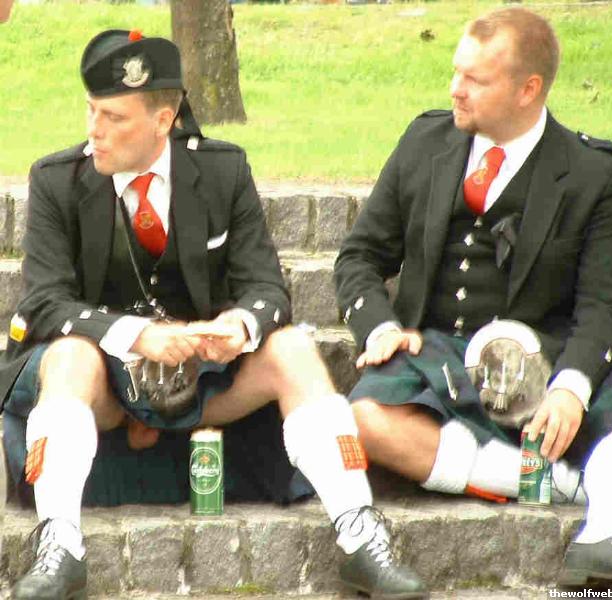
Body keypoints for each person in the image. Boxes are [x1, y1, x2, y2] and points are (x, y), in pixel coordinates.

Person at [0, 30, 427, 600]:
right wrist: (139, 335)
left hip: (202, 383)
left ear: (164, 120)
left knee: (291, 347)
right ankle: (59, 546)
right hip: (102, 390)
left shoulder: (222, 171)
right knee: (70, 355)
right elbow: (45, 303)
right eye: (91, 110)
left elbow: (267, 289)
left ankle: (360, 535)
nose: (94, 129)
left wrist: (239, 326)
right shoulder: (58, 179)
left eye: (113, 117)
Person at [335, 6, 612, 588]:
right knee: (365, 419)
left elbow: (604, 305)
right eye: (456, 72)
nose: (455, 88)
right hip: (439, 352)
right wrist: (380, 327)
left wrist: (572, 388)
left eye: (475, 79)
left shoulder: (591, 171)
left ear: (528, 89)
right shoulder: (424, 141)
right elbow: (359, 257)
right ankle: (567, 485)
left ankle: (606, 532)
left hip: (548, 354)